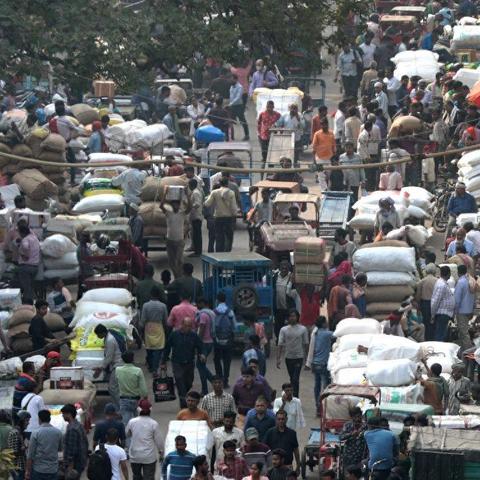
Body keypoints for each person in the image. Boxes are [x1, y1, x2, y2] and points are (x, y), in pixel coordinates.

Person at [161, 317, 204, 408]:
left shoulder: (193, 335)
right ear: (182, 325)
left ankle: (183, 394)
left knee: (189, 382)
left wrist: (201, 354)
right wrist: (163, 362)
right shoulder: (174, 334)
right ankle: (183, 402)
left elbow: (200, 346)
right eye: (186, 326)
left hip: (189, 362)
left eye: (190, 326)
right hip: (177, 362)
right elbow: (167, 348)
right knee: (179, 379)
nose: (188, 328)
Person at [126, 399, 163, 480]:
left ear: (138, 409)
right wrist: (161, 453)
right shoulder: (154, 424)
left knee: (136, 476)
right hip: (149, 457)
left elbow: (127, 434)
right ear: (150, 409)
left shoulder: (132, 422)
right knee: (149, 477)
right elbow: (159, 441)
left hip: (135, 456)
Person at [277, 310, 309, 398]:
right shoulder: (283, 330)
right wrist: (278, 358)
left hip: (299, 357)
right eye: (290, 316)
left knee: (295, 379)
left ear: (297, 317)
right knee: (292, 378)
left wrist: (307, 358)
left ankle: (296, 397)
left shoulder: (303, 329)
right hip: (288, 357)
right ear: (288, 318)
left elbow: (306, 343)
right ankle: (291, 395)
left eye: (294, 316)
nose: (292, 318)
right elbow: (280, 344)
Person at [159, 191, 190, 279]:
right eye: (174, 204)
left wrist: (187, 195)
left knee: (179, 260)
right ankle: (177, 277)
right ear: (172, 205)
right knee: (171, 261)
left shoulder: (182, 213)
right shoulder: (168, 213)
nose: (176, 205)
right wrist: (165, 193)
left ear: (179, 205)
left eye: (177, 204)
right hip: (170, 240)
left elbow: (189, 208)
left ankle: (179, 277)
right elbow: (161, 206)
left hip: (179, 240)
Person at [305, 316, 334, 408]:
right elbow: (337, 334)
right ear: (323, 324)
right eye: (326, 322)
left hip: (315, 363)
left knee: (317, 385)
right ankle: (324, 405)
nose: (327, 323)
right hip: (323, 364)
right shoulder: (327, 334)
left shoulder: (316, 333)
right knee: (326, 385)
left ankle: (317, 405)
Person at [25, 410, 63, 480]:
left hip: (38, 470)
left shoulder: (36, 433)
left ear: (39, 419)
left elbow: (30, 455)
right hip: (53, 470)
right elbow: (60, 449)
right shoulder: (58, 432)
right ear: (50, 419)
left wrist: (28, 471)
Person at [93, 324, 124, 408]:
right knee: (115, 388)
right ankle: (117, 406)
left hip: (117, 365)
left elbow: (109, 357)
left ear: (102, 333)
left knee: (112, 388)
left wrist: (101, 368)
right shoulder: (108, 338)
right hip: (115, 365)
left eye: (98, 335)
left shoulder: (110, 340)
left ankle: (120, 407)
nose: (98, 336)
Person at [115, 351, 148, 427]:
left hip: (124, 400)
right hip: (136, 400)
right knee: (138, 423)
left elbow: (117, 383)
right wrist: (145, 398)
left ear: (123, 360)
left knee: (127, 424)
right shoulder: (138, 371)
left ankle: (128, 439)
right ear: (133, 359)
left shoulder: (118, 370)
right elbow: (143, 389)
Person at [204, 177, 237, 252]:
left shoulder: (214, 192)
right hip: (228, 218)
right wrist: (234, 214)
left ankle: (219, 254)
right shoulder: (231, 193)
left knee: (219, 237)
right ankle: (227, 252)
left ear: (220, 183)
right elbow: (233, 207)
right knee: (229, 236)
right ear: (227, 183)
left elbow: (207, 204)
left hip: (218, 218)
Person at [139, 285, 168, 373]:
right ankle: (155, 368)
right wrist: (166, 330)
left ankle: (151, 366)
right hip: (159, 327)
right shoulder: (163, 306)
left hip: (148, 327)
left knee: (149, 347)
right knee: (158, 348)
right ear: (159, 295)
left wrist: (141, 328)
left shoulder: (145, 305)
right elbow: (165, 320)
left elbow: (143, 319)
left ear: (150, 295)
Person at [213, 291, 236, 388]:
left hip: (217, 339)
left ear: (217, 300)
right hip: (228, 339)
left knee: (217, 359)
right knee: (227, 360)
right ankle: (225, 381)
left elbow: (212, 327)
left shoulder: (214, 312)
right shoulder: (230, 311)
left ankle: (219, 379)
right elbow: (234, 326)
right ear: (225, 300)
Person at [61, 403, 89, 477]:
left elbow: (71, 451)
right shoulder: (78, 425)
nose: (62, 416)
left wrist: (70, 468)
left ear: (69, 414)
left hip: (75, 465)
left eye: (63, 414)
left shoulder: (72, 429)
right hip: (81, 461)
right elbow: (86, 442)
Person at [339, 407, 367, 476]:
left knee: (360, 475)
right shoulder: (347, 425)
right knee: (348, 475)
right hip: (349, 455)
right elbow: (341, 437)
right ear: (351, 417)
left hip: (361, 456)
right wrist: (351, 434)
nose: (357, 418)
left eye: (359, 416)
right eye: (355, 417)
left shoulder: (366, 426)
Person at [17, 223, 40, 303]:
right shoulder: (34, 238)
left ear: (22, 232)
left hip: (25, 267)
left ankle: (28, 303)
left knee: (26, 287)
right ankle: (33, 301)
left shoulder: (25, 240)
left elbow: (25, 246)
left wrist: (24, 254)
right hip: (35, 267)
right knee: (30, 286)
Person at [431, 266, 455, 342]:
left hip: (444, 313)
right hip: (442, 313)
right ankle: (438, 350)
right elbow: (435, 300)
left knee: (442, 333)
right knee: (440, 334)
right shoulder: (441, 285)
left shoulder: (444, 283)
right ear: (448, 274)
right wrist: (432, 314)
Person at [454, 264, 475, 353]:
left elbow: (457, 299)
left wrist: (455, 311)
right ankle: (463, 351)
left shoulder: (460, 282)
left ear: (458, 272)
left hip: (461, 311)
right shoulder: (470, 281)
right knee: (464, 331)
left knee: (464, 332)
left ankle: (469, 352)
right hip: (469, 310)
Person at [340, 141, 365, 210]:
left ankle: (352, 214)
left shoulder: (358, 157)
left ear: (353, 148)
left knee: (354, 200)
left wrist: (363, 180)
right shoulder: (341, 157)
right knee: (345, 199)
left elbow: (361, 169)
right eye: (347, 148)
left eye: (350, 148)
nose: (348, 149)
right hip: (345, 182)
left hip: (355, 182)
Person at [415, 263, 438, 341]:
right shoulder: (437, 281)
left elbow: (418, 296)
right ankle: (433, 338)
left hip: (425, 304)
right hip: (435, 304)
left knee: (426, 323)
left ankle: (427, 338)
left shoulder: (422, 282)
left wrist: (418, 305)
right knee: (434, 323)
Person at [8, 410, 30, 480]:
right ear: (21, 421)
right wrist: (23, 448)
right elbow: (12, 453)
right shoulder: (15, 433)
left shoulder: (20, 432)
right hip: (17, 468)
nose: (28, 423)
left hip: (21, 466)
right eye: (26, 420)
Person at [230, 74, 249, 140]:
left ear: (236, 79)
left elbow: (238, 97)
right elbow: (231, 96)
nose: (231, 80)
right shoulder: (232, 86)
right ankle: (231, 136)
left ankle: (247, 135)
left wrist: (231, 103)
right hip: (232, 106)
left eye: (232, 79)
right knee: (230, 121)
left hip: (239, 106)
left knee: (242, 121)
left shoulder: (240, 87)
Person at [188, 179, 204, 257]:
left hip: (197, 216)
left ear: (191, 185)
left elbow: (197, 204)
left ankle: (198, 252)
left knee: (197, 235)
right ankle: (196, 250)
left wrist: (190, 207)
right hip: (195, 216)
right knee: (195, 234)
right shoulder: (195, 192)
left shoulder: (195, 193)